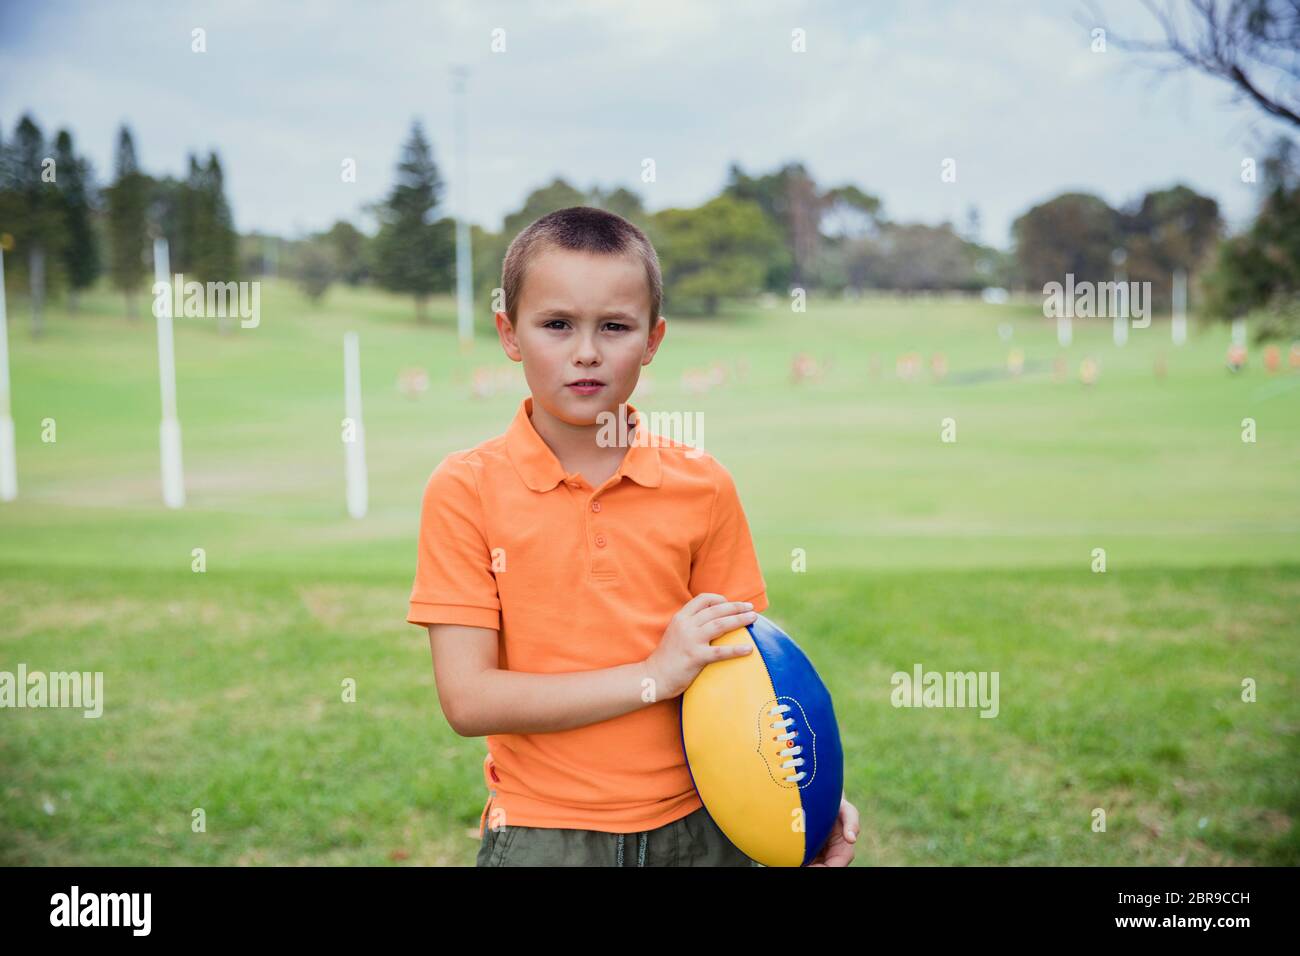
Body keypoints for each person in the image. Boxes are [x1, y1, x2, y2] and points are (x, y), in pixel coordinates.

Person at [406, 206, 859, 866]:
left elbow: (745, 668)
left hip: (702, 823)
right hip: (543, 834)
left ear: (652, 339)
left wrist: (803, 793)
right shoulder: (463, 490)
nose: (586, 351)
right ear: (509, 332)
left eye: (614, 327)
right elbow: (469, 699)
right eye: (556, 324)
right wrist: (651, 675)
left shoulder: (702, 485)